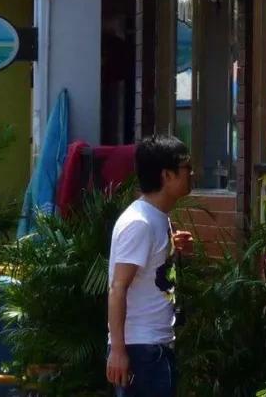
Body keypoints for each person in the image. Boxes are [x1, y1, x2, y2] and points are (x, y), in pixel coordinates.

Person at [106, 135, 195, 397]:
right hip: (141, 350)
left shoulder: (157, 217)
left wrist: (172, 246)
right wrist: (118, 351)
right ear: (166, 175)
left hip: (153, 346)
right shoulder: (140, 223)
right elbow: (118, 288)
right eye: (186, 168)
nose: (192, 174)